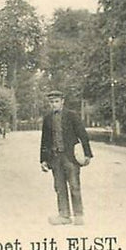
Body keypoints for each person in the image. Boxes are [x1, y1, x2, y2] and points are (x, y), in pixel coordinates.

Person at [40, 90, 92, 225]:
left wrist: (87, 154)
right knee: (59, 186)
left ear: (62, 101)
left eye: (56, 101)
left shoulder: (72, 116)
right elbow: (44, 140)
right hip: (55, 158)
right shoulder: (47, 118)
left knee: (74, 185)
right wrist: (43, 160)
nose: (54, 104)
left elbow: (83, 134)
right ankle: (64, 215)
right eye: (51, 102)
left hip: (70, 157)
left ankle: (78, 215)